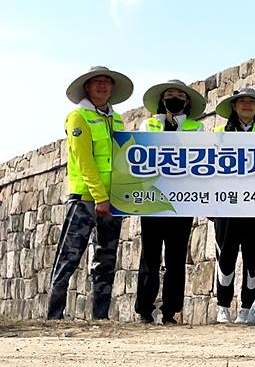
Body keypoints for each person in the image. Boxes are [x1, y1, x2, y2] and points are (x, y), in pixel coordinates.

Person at [47, 66, 133, 320]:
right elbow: (85, 162)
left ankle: (100, 316)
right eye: (97, 82)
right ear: (87, 87)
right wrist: (100, 197)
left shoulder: (116, 119)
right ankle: (54, 316)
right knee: (69, 257)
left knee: (105, 260)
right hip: (84, 200)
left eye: (107, 82)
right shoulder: (78, 117)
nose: (103, 86)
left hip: (112, 200)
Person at [135, 79, 206, 324]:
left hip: (182, 202)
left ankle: (170, 311)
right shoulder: (149, 124)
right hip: (153, 200)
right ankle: (145, 309)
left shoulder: (197, 127)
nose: (174, 97)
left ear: (186, 101)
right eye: (169, 93)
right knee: (150, 258)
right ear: (162, 99)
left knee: (176, 259)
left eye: (179, 94)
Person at [212, 87, 255, 324]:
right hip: (226, 207)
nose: (247, 105)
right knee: (225, 257)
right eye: (242, 102)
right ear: (234, 107)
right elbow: (206, 170)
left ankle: (247, 307)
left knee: (252, 259)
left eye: (252, 102)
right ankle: (222, 306)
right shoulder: (218, 134)